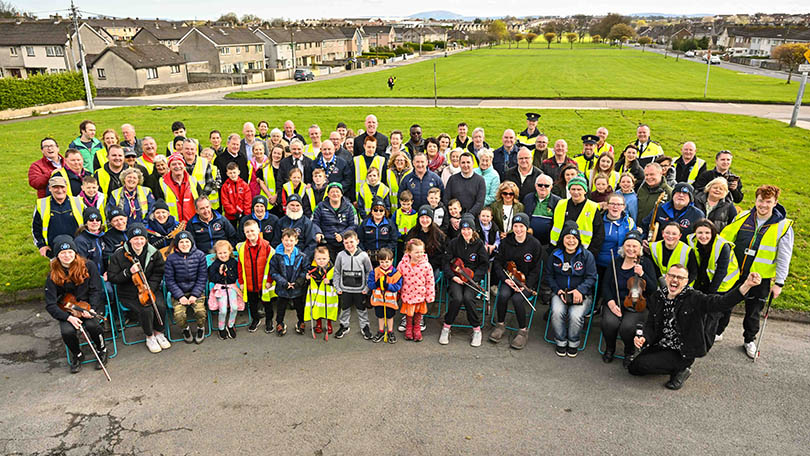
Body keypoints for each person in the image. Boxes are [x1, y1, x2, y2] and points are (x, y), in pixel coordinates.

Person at [629, 267, 762, 390]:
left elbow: (721, 302)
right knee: (634, 368)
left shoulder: (694, 298)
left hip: (682, 350)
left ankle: (682, 368)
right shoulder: (658, 297)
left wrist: (746, 285)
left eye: (680, 278)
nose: (675, 280)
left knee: (642, 364)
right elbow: (651, 323)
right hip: (663, 344)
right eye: (672, 276)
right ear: (666, 277)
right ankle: (670, 364)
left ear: (686, 282)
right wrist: (644, 337)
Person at [718, 185, 794, 358]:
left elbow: (784, 256)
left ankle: (749, 340)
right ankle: (718, 331)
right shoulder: (743, 216)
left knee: (753, 311)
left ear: (775, 203)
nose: (763, 205)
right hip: (736, 272)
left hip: (760, 278)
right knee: (725, 303)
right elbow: (725, 240)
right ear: (755, 200)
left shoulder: (783, 226)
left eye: (768, 202)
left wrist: (779, 283)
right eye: (761, 201)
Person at [44, 235, 107, 373]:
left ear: (75, 252)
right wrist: (68, 317)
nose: (67, 256)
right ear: (57, 256)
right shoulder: (53, 275)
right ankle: (77, 354)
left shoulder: (88, 266)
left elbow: (96, 290)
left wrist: (93, 308)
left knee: (93, 325)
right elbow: (50, 304)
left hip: (90, 305)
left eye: (70, 252)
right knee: (67, 331)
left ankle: (102, 349)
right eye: (63, 253)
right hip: (68, 311)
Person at [107, 223, 169, 354]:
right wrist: (128, 272)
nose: (139, 241)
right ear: (130, 240)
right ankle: (149, 336)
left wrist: (150, 287)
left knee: (160, 305)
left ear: (146, 239)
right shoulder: (118, 255)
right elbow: (113, 277)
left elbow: (158, 272)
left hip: (149, 288)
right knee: (146, 309)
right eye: (135, 238)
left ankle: (159, 332)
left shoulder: (153, 252)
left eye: (142, 238)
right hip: (128, 293)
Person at [600, 231, 658, 364]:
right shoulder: (615, 262)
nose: (631, 249)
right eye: (628, 246)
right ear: (623, 247)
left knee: (627, 327)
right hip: (616, 302)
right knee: (609, 323)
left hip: (637, 305)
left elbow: (653, 288)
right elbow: (606, 286)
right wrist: (611, 303)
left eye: (635, 246)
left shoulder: (646, 264)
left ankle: (629, 352)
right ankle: (610, 349)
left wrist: (642, 274)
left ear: (640, 249)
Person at [489, 213, 542, 350]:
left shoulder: (534, 244)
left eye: (521, 226)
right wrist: (505, 279)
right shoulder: (506, 242)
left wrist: (526, 285)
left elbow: (536, 270)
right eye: (515, 226)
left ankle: (523, 331)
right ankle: (500, 324)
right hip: (510, 279)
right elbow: (498, 263)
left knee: (518, 299)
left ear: (527, 227)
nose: (518, 229)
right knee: (503, 295)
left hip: (526, 282)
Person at [547, 221, 598, 357]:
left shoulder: (587, 256)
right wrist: (558, 291)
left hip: (582, 294)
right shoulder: (555, 254)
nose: (571, 241)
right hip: (560, 292)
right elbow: (549, 276)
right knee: (557, 312)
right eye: (567, 237)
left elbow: (592, 277)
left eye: (574, 238)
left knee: (575, 315)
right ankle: (561, 341)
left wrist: (580, 290)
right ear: (563, 239)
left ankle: (573, 342)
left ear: (578, 240)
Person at [440, 215, 489, 347]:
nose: (466, 232)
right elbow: (445, 263)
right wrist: (452, 276)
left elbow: (484, 265)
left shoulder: (479, 245)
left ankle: (476, 329)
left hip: (471, 279)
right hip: (456, 278)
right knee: (457, 298)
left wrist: (474, 278)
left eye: (468, 229)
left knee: (468, 298)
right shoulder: (454, 243)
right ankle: (446, 327)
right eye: (463, 229)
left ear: (473, 230)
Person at [164, 230, 208, 344]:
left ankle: (200, 328)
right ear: (177, 245)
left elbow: (202, 277)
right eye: (181, 242)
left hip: (196, 291)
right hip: (179, 292)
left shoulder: (200, 255)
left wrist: (195, 294)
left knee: (200, 312)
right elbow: (169, 280)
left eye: (187, 241)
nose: (184, 244)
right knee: (179, 315)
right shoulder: (171, 258)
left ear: (191, 242)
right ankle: (186, 329)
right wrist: (180, 296)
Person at [333, 230, 373, 340]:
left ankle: (365, 327)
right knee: (344, 309)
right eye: (346, 243)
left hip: (360, 290)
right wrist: (337, 286)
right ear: (343, 243)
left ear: (357, 241)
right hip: (345, 289)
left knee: (361, 309)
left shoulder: (364, 256)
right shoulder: (340, 255)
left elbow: (369, 272)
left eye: (351, 242)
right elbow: (336, 271)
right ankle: (344, 326)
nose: (349, 245)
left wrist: (367, 287)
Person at [550, 175, 604, 257]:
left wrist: (591, 253)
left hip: (583, 252)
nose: (576, 192)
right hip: (559, 250)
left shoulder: (592, 207)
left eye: (579, 189)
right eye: (573, 189)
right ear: (569, 191)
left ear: (585, 191)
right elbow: (552, 224)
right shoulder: (560, 204)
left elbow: (599, 234)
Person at [268, 228, 308, 336]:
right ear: (282, 240)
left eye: (291, 240)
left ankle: (301, 322)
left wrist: (299, 282)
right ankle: (280, 323)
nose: (288, 243)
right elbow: (273, 272)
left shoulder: (302, 256)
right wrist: (284, 283)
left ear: (296, 241)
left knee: (299, 306)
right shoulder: (276, 256)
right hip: (283, 287)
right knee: (281, 307)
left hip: (297, 287)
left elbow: (305, 270)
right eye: (286, 240)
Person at [33, 176, 84, 258]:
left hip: (77, 248)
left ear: (67, 187)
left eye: (62, 187)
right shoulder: (41, 204)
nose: (60, 190)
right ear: (49, 188)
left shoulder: (79, 202)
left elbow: (89, 224)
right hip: (53, 250)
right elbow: (36, 228)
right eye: (55, 187)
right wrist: (41, 245)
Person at [596, 193, 637, 292]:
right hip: (599, 263)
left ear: (623, 207)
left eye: (619, 205)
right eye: (612, 204)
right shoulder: (598, 220)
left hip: (619, 264)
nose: (615, 207)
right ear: (607, 205)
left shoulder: (629, 222)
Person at [397, 238, 435, 342]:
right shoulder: (402, 264)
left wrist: (430, 295)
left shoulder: (426, 266)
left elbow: (430, 282)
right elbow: (397, 278)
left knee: (418, 313)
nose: (420, 254)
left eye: (422, 252)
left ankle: (417, 328)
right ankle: (409, 327)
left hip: (420, 294)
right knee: (409, 313)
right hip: (407, 293)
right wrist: (397, 292)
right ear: (409, 252)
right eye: (417, 252)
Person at [313, 182, 358, 260]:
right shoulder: (320, 206)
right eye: (332, 192)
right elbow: (314, 222)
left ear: (341, 194)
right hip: (326, 241)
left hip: (344, 241)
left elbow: (354, 225)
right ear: (328, 194)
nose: (335, 194)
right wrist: (318, 232)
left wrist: (342, 235)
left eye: (337, 191)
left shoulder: (350, 207)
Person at [367, 248, 402, 343]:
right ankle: (381, 331)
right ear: (379, 261)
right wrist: (376, 284)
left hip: (390, 301)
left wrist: (388, 286)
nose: (384, 264)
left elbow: (398, 287)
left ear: (391, 261)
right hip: (378, 301)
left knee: (390, 317)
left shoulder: (396, 274)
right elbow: (369, 284)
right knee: (380, 316)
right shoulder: (375, 272)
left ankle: (390, 331)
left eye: (387, 262)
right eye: (382, 262)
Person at [158, 154, 203, 223]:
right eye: (173, 164)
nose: (177, 166)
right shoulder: (162, 182)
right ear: (169, 167)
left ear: (184, 165)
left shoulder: (193, 180)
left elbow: (201, 201)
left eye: (179, 163)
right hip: (171, 224)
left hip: (193, 223)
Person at [304, 245, 338, 336]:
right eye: (318, 259)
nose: (321, 261)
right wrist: (307, 278)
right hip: (316, 295)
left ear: (328, 258)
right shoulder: (312, 269)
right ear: (315, 259)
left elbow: (338, 280)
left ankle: (329, 324)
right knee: (317, 308)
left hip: (329, 295)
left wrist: (330, 281)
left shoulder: (333, 269)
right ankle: (318, 324)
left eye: (324, 258)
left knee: (329, 309)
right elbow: (307, 281)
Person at [272, 194, 317, 260]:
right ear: (287, 206)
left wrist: (302, 258)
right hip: (282, 256)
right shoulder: (281, 222)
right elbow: (275, 242)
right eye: (292, 205)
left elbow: (311, 244)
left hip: (300, 257)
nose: (295, 208)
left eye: (297, 205)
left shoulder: (307, 223)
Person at [444, 152, 486, 217]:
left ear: (473, 163)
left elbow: (479, 203)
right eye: (463, 162)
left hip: (472, 218)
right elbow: (446, 199)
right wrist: (454, 217)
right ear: (459, 164)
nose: (466, 165)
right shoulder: (452, 179)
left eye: (468, 162)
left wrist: (467, 217)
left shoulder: (480, 180)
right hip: (454, 217)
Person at [74, 207, 106, 282]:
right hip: (89, 277)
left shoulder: (103, 236)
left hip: (104, 275)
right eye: (91, 220)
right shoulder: (80, 241)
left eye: (97, 220)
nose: (95, 222)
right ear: (86, 223)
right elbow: (81, 263)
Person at [220, 162, 252, 229]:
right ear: (227, 174)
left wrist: (246, 214)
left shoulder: (244, 185)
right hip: (230, 215)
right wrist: (233, 212)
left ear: (238, 172)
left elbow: (248, 201)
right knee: (232, 231)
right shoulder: (225, 186)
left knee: (244, 231)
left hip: (243, 214)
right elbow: (225, 202)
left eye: (234, 172)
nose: (233, 175)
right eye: (230, 173)